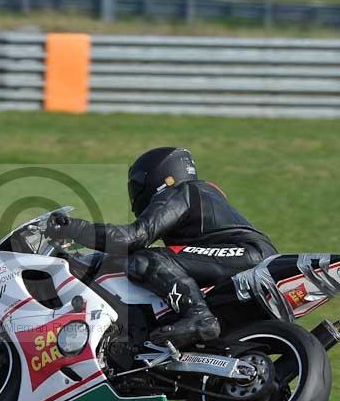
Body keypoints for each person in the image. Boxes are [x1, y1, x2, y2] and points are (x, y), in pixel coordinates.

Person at [46, 147, 278, 346]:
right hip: (251, 256)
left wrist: (74, 228)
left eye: (138, 185)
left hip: (247, 253)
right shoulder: (206, 195)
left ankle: (198, 316)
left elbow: (133, 237)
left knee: (149, 260)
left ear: (159, 175)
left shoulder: (180, 192)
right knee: (143, 260)